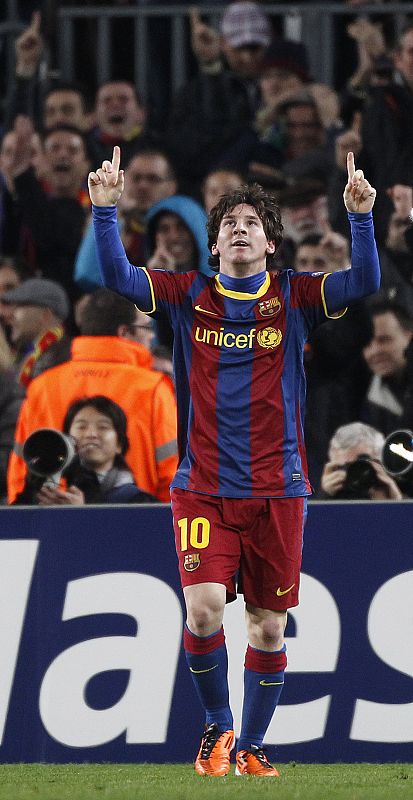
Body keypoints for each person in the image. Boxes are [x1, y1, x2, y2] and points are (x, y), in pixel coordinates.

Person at [89, 145, 380, 777]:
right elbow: (117, 278)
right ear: (215, 246)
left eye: (251, 224)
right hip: (204, 487)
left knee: (269, 628)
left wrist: (360, 219)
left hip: (280, 489)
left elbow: (364, 283)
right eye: (229, 225)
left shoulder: (295, 296)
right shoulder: (184, 293)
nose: (240, 230)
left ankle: (251, 744)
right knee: (203, 606)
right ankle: (217, 727)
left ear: (269, 245)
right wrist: (105, 209)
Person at [7, 288, 178, 504]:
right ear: (124, 332)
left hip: (51, 521)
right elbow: (173, 474)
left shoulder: (41, 387)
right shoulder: (153, 388)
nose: (152, 335)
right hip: (133, 524)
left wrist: (28, 521)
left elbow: (21, 472)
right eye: (146, 327)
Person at [13, 395, 156, 505]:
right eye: (81, 427)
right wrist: (31, 491)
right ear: (67, 438)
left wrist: (82, 513)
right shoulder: (54, 488)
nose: (91, 434)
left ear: (119, 444)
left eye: (103, 427)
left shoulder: (137, 500)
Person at [2, 277, 71, 387]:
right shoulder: (27, 354)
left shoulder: (60, 359)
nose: (10, 315)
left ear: (46, 315)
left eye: (19, 307)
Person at [361, 301, 413, 436]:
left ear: (410, 336)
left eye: (384, 340)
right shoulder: (365, 402)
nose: (374, 351)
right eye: (366, 344)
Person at [318, 421, 402, 500]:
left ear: (381, 465)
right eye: (346, 467)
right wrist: (324, 498)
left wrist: (395, 504)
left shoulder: (386, 490)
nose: (355, 476)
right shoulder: (330, 496)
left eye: (361, 466)